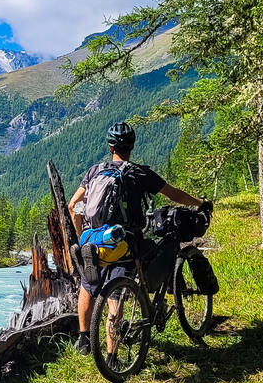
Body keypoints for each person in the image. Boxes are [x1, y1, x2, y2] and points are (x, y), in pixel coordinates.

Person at [67, 121, 208, 355]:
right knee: (120, 290)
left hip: (94, 241)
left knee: (88, 284)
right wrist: (200, 203)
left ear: (110, 147)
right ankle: (112, 358)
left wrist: (83, 234)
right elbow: (174, 194)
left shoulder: (95, 171)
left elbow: (73, 205)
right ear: (132, 146)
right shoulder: (140, 172)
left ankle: (83, 339)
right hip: (125, 242)